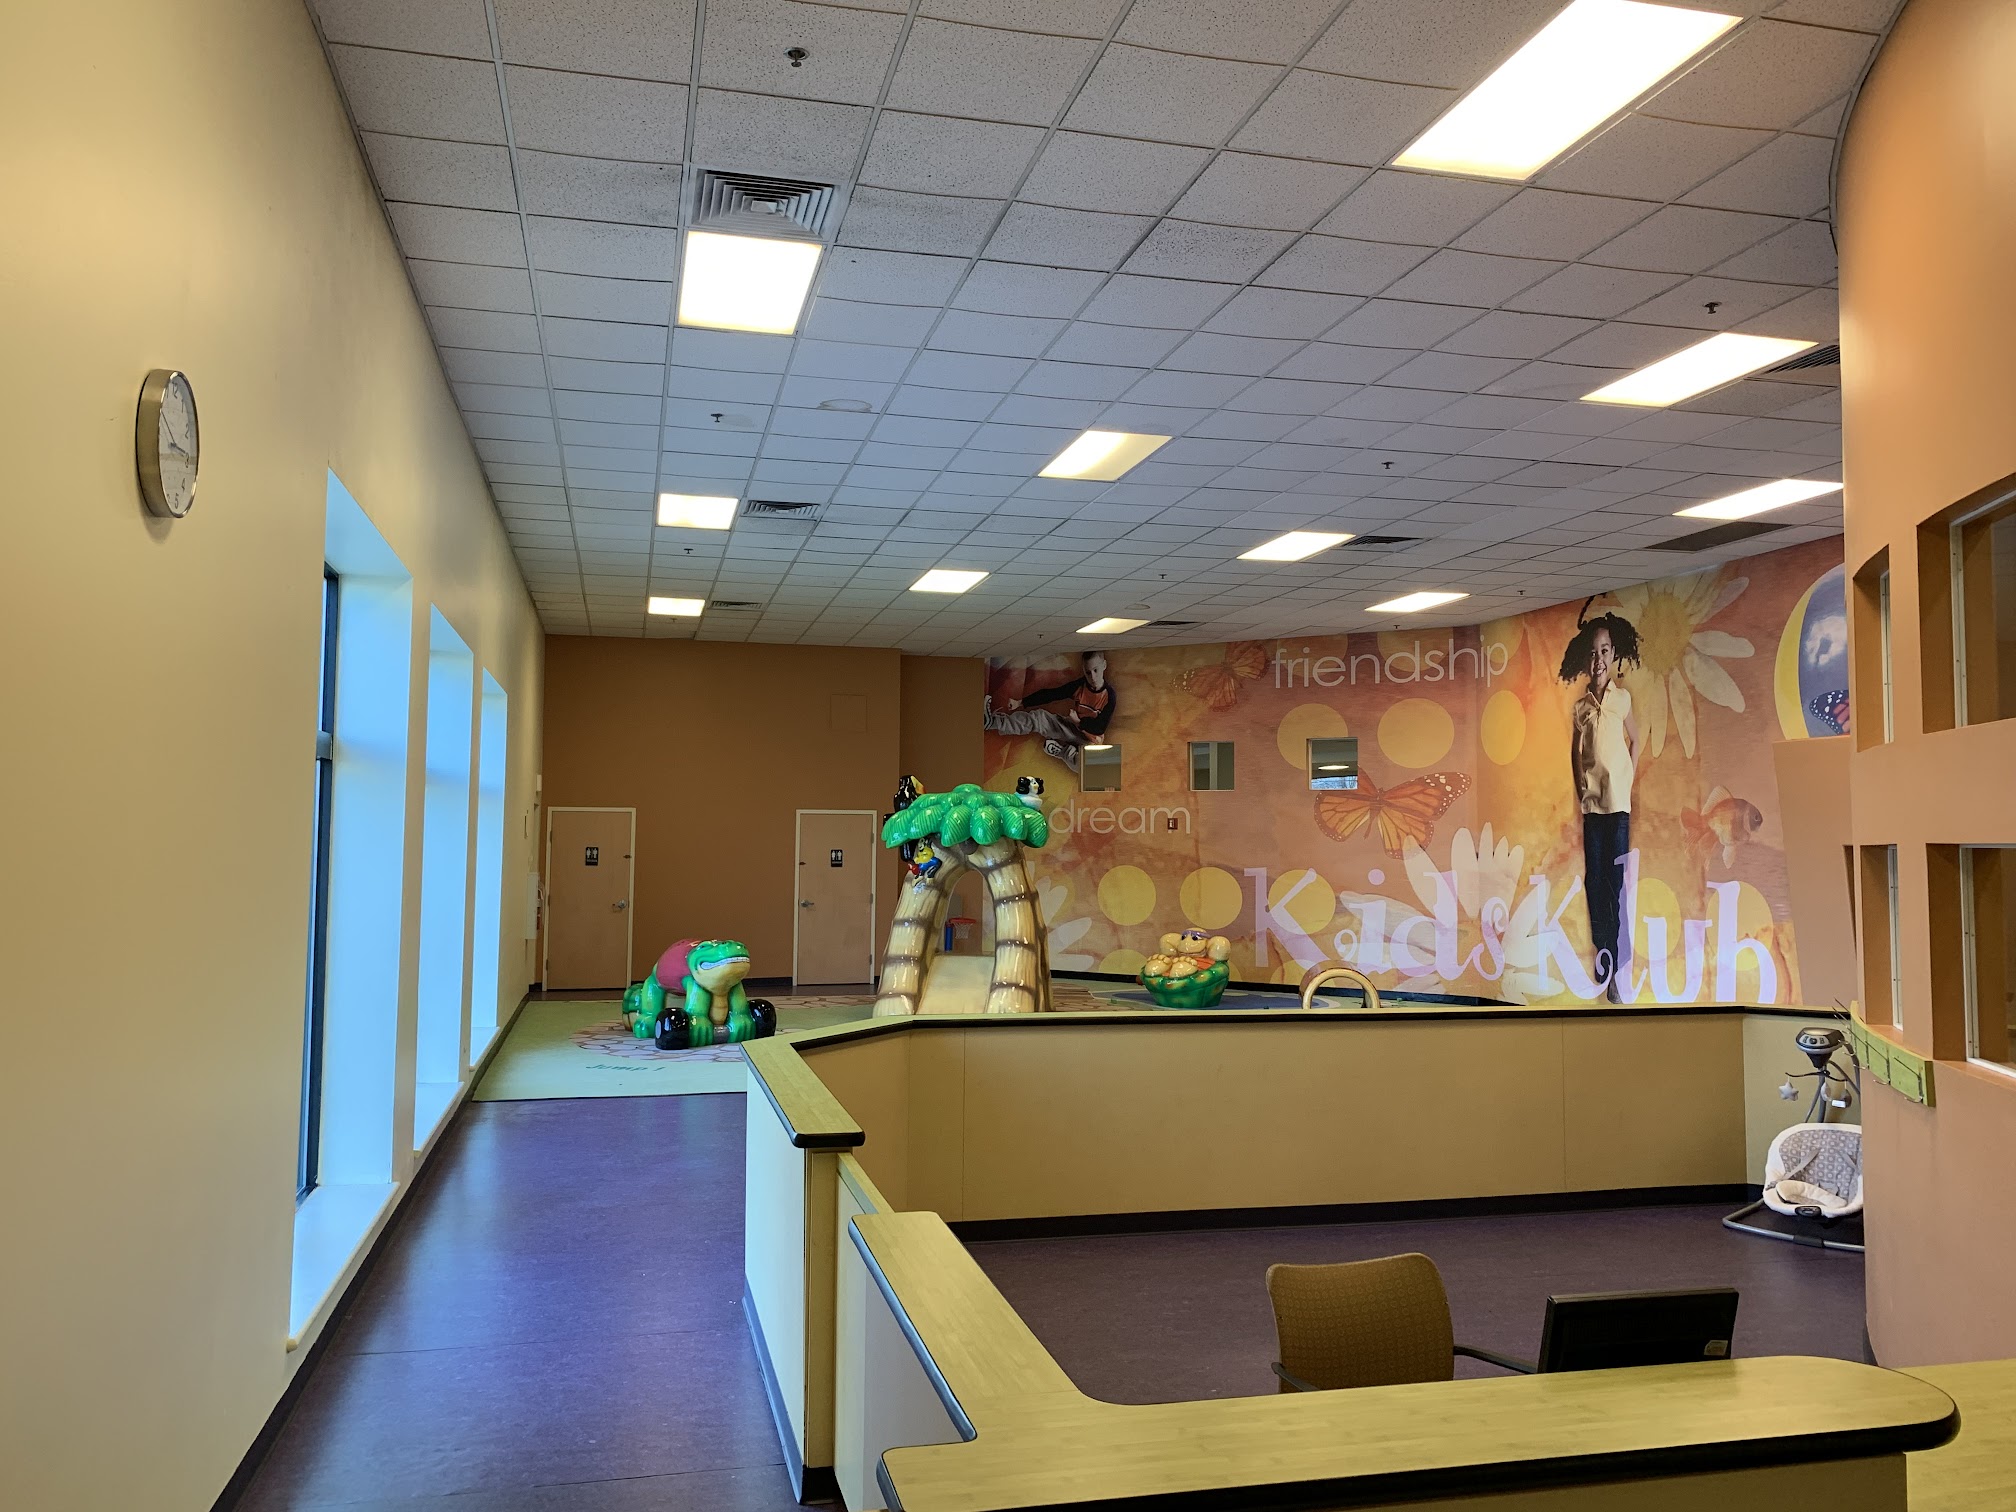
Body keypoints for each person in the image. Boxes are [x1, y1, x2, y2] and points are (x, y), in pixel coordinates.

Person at [1560, 610, 1642, 1002]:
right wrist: (1581, 786)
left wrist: (1628, 777)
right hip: (1592, 807)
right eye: (1594, 653)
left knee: (1615, 881)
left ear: (1614, 655)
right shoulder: (1581, 707)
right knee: (1595, 879)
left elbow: (1635, 740)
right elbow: (1575, 752)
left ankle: (1618, 964)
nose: (1599, 659)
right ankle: (1603, 953)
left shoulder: (1622, 699)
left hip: (1618, 806)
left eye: (1605, 651)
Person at [985, 651, 1115, 774]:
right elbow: (1053, 694)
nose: (1092, 677)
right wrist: (1021, 702)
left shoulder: (1109, 695)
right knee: (1039, 718)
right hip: (1072, 729)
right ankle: (993, 722)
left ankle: (1062, 752)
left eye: (1096, 670)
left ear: (1104, 666)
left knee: (1088, 765)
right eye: (1088, 672)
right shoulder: (1080, 685)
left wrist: (1079, 722)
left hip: (1090, 741)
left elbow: (1100, 727)